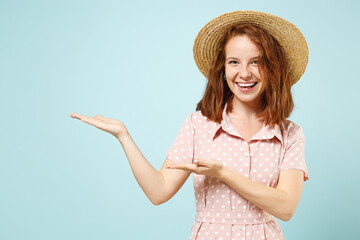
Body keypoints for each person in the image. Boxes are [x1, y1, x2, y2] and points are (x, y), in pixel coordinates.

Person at [70, 10, 309, 240]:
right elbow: (159, 191)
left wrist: (223, 174)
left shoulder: (290, 134)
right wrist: (124, 136)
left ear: (273, 69)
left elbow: (286, 207)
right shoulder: (198, 125)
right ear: (223, 70)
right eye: (234, 62)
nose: (244, 73)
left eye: (256, 62)